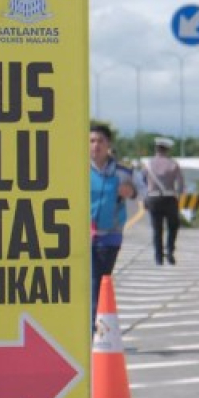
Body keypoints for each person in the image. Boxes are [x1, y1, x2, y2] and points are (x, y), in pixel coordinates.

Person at [90, 123, 138, 328]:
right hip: (82, 238)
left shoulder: (122, 172)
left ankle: (95, 330)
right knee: (88, 286)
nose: (96, 145)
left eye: (100, 141)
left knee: (97, 283)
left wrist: (131, 191)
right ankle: (92, 329)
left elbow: (143, 191)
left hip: (109, 238)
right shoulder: (77, 170)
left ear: (108, 144)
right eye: (92, 141)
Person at [142, 136, 184, 265]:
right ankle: (170, 251)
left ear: (156, 149)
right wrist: (178, 196)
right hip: (170, 198)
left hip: (153, 198)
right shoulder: (173, 164)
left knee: (157, 229)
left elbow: (143, 181)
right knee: (173, 226)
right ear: (167, 149)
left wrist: (146, 196)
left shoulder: (148, 164)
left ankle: (158, 257)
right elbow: (180, 184)